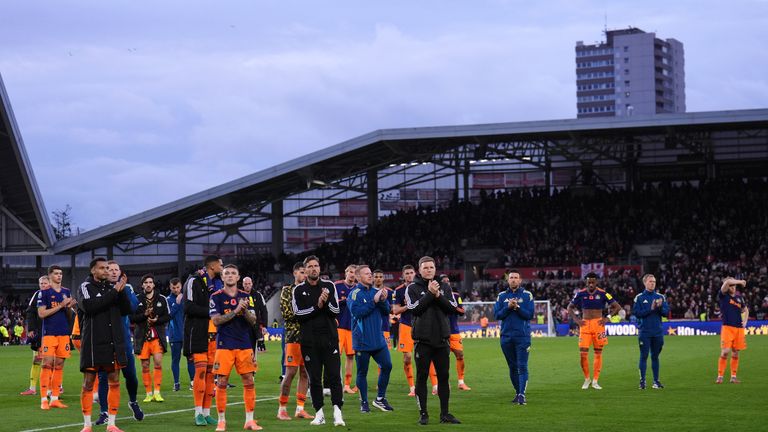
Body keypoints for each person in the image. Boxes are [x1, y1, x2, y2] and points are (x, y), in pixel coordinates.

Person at [74, 257, 133, 432]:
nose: (107, 271)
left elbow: (127, 309)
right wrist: (115, 290)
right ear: (93, 270)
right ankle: (86, 425)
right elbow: (90, 306)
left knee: (114, 381)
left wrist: (121, 290)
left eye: (108, 268)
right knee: (88, 382)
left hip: (113, 341)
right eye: (102, 268)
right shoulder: (85, 287)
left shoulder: (112, 288)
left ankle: (112, 424)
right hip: (92, 342)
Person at [405, 256, 461, 425]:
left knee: (444, 377)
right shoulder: (412, 288)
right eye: (425, 267)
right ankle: (423, 414)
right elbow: (414, 309)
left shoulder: (444, 286)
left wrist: (438, 295)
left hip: (442, 340)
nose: (429, 270)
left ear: (435, 269)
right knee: (422, 377)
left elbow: (452, 308)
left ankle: (445, 414)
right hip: (423, 340)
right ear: (419, 270)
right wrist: (430, 294)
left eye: (431, 267)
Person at [292, 255, 345, 426]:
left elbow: (336, 311)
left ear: (319, 268)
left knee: (335, 376)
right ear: (305, 270)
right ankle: (319, 414)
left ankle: (338, 412)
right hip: (309, 342)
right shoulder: (298, 290)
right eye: (310, 266)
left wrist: (326, 300)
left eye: (316, 265)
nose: (314, 269)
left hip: (329, 339)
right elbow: (298, 315)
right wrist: (318, 305)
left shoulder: (329, 286)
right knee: (314, 379)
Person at [209, 264, 262, 431]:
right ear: (222, 278)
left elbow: (253, 320)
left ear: (238, 277)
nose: (230, 276)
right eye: (227, 273)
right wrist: (236, 310)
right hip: (224, 345)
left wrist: (245, 311)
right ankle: (221, 421)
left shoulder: (246, 296)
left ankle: (249, 421)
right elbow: (216, 321)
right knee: (222, 382)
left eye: (233, 273)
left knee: (249, 380)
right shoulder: (216, 296)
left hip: (245, 345)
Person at [92, 261, 144, 424]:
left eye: (116, 270)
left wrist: (123, 290)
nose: (113, 272)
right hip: (105, 340)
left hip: (122, 340)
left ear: (120, 273)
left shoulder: (127, 288)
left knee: (131, 376)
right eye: (110, 269)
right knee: (103, 376)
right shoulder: (102, 289)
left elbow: (134, 307)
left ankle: (133, 402)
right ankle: (104, 412)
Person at [348, 265, 394, 413]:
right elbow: (357, 313)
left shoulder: (376, 292)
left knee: (387, 366)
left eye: (370, 273)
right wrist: (373, 301)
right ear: (358, 277)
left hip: (378, 340)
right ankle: (364, 402)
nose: (370, 276)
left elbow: (387, 311)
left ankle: (380, 399)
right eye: (367, 274)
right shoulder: (354, 294)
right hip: (362, 341)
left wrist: (382, 300)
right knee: (362, 372)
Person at [184, 255, 223, 426]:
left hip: (214, 334)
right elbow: (189, 307)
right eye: (220, 265)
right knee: (200, 372)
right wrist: (212, 311)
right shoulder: (194, 281)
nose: (222, 267)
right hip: (198, 333)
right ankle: (197, 413)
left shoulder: (219, 283)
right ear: (212, 266)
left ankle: (207, 413)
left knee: (210, 375)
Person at [567, 272, 622, 390]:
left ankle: (595, 380)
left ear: (596, 282)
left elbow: (617, 307)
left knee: (598, 353)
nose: (591, 284)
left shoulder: (603, 293)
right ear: (586, 282)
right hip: (585, 325)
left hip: (598, 324)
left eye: (593, 282)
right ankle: (587, 379)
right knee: (583, 354)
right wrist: (577, 320)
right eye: (589, 282)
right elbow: (569, 308)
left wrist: (607, 318)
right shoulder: (580, 294)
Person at [277, 262, 313, 420]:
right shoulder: (287, 290)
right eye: (301, 272)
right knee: (290, 373)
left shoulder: (311, 290)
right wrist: (309, 313)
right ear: (294, 273)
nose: (304, 275)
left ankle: (300, 408)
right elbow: (287, 313)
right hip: (293, 336)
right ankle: (282, 409)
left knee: (305, 373)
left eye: (306, 272)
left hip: (308, 336)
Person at [37, 265, 74, 410]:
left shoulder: (66, 292)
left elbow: (69, 315)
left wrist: (70, 308)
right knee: (47, 364)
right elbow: (42, 314)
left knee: (59, 365)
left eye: (61, 274)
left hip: (64, 333)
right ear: (50, 275)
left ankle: (54, 399)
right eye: (57, 273)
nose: (59, 276)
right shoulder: (44, 293)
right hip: (50, 333)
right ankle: (43, 400)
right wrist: (60, 305)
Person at [494, 270, 534, 405]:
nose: (513, 280)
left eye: (516, 278)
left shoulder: (527, 295)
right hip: (506, 337)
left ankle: (522, 395)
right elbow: (497, 315)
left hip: (522, 337)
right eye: (511, 278)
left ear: (520, 280)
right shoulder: (501, 296)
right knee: (512, 366)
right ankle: (517, 393)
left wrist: (516, 307)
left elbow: (529, 315)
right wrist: (508, 307)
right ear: (508, 280)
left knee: (522, 366)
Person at [131, 274, 170, 402]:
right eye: (146, 282)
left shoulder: (162, 299)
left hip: (157, 337)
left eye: (150, 282)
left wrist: (157, 320)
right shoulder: (136, 299)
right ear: (142, 285)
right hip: (142, 337)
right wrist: (144, 315)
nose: (148, 284)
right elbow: (131, 318)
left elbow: (168, 317)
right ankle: (148, 393)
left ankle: (157, 392)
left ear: (153, 284)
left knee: (158, 362)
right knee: (145, 365)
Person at [632, 274, 669, 389]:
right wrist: (651, 308)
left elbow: (666, 313)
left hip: (657, 332)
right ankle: (642, 381)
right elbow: (636, 313)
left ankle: (656, 381)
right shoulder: (639, 297)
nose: (653, 283)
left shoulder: (660, 297)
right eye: (650, 281)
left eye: (654, 281)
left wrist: (659, 307)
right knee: (644, 356)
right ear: (645, 283)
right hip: (645, 332)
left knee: (655, 357)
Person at [716, 277, 749, 384]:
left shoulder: (739, 298)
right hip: (727, 328)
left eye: (734, 286)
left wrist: (745, 321)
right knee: (725, 352)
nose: (733, 287)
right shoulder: (723, 295)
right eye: (731, 285)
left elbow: (745, 309)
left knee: (735, 353)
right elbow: (727, 282)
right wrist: (740, 282)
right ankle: (720, 376)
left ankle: (733, 377)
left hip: (739, 328)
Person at [442, 274, 470, 391]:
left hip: (454, 331)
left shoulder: (456, 296)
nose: (447, 283)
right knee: (444, 359)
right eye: (444, 281)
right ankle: (445, 382)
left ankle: (461, 382)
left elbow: (462, 311)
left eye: (448, 281)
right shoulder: (436, 297)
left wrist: (453, 307)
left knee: (460, 355)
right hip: (442, 332)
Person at [20, 275, 48, 396]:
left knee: (53, 361)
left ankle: (58, 386)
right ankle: (32, 388)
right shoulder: (37, 295)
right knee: (37, 360)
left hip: (52, 333)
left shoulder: (55, 294)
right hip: (39, 333)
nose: (42, 285)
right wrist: (31, 328)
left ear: (50, 283)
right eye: (41, 283)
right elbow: (30, 311)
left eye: (45, 283)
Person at [392, 264, 417, 396]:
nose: (409, 275)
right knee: (407, 358)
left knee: (426, 355)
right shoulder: (399, 290)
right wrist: (408, 306)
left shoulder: (421, 287)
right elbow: (395, 310)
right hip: (406, 325)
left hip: (421, 324)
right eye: (406, 273)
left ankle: (435, 385)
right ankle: (412, 387)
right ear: (403, 276)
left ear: (415, 273)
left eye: (411, 273)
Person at [167, 277, 194, 392]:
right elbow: (169, 316)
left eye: (178, 287)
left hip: (187, 334)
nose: (176, 290)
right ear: (170, 287)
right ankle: (176, 383)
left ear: (181, 286)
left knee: (190, 359)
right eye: (174, 288)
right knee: (175, 360)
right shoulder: (167, 300)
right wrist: (177, 303)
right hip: (175, 335)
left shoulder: (187, 298)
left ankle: (193, 382)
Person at [334, 264, 358, 394]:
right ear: (346, 272)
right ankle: (335, 383)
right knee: (335, 356)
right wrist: (343, 301)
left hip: (353, 328)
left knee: (350, 356)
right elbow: (331, 303)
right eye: (350, 272)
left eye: (355, 272)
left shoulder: (358, 288)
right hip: (338, 327)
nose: (352, 274)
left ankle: (347, 385)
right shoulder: (337, 286)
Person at [242, 276, 268, 353]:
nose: (247, 285)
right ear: (243, 284)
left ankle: (252, 363)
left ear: (252, 284)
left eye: (249, 283)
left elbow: (264, 311)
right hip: (242, 326)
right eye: (245, 284)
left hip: (254, 327)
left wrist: (264, 326)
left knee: (252, 351)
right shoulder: (238, 295)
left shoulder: (258, 295)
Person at [372, 269, 393, 348]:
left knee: (385, 354)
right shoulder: (368, 292)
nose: (378, 279)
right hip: (371, 326)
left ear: (383, 278)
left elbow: (392, 309)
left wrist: (384, 301)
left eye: (380, 277)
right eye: (376, 277)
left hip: (384, 326)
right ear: (373, 278)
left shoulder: (390, 292)